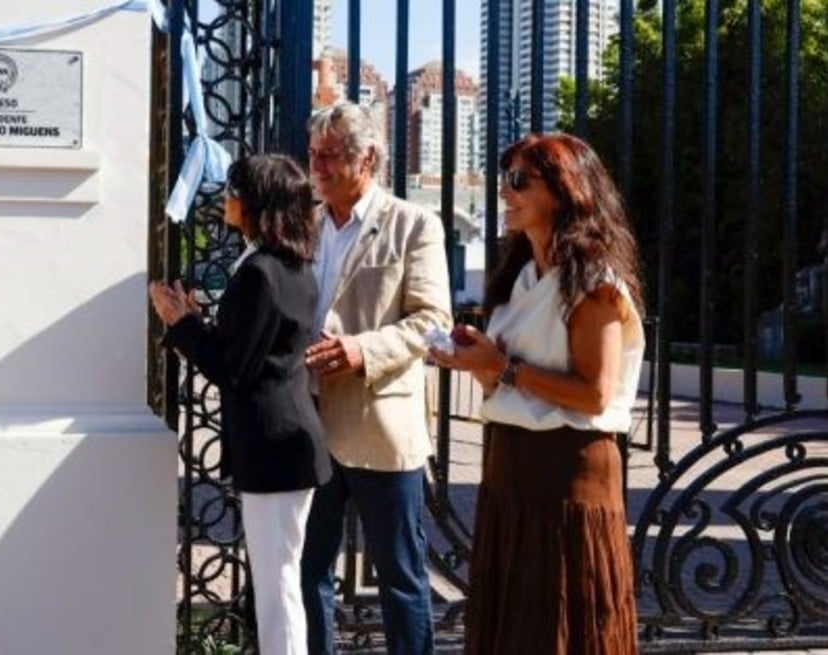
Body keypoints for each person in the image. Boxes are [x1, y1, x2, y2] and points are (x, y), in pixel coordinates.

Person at [431, 133, 643, 654]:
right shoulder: (521, 277)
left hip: (567, 473)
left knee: (561, 627)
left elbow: (595, 395)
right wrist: (477, 363)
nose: (505, 192)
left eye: (519, 180)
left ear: (564, 189)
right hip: (511, 469)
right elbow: (505, 383)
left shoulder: (594, 282)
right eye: (506, 179)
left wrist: (502, 367)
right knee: (515, 629)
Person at [151, 153, 332, 655]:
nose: (227, 198)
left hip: (275, 447)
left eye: (235, 190)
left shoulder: (261, 271)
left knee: (277, 587)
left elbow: (234, 370)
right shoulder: (292, 265)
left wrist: (182, 325)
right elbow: (251, 350)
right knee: (279, 579)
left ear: (257, 203)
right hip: (287, 443)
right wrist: (197, 324)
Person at [298, 101, 452, 655]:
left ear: (368, 158)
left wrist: (362, 350)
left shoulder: (414, 224)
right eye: (313, 154)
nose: (317, 166)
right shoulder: (305, 224)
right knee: (307, 570)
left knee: (401, 578)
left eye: (330, 155)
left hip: (379, 427)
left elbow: (434, 322)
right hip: (308, 423)